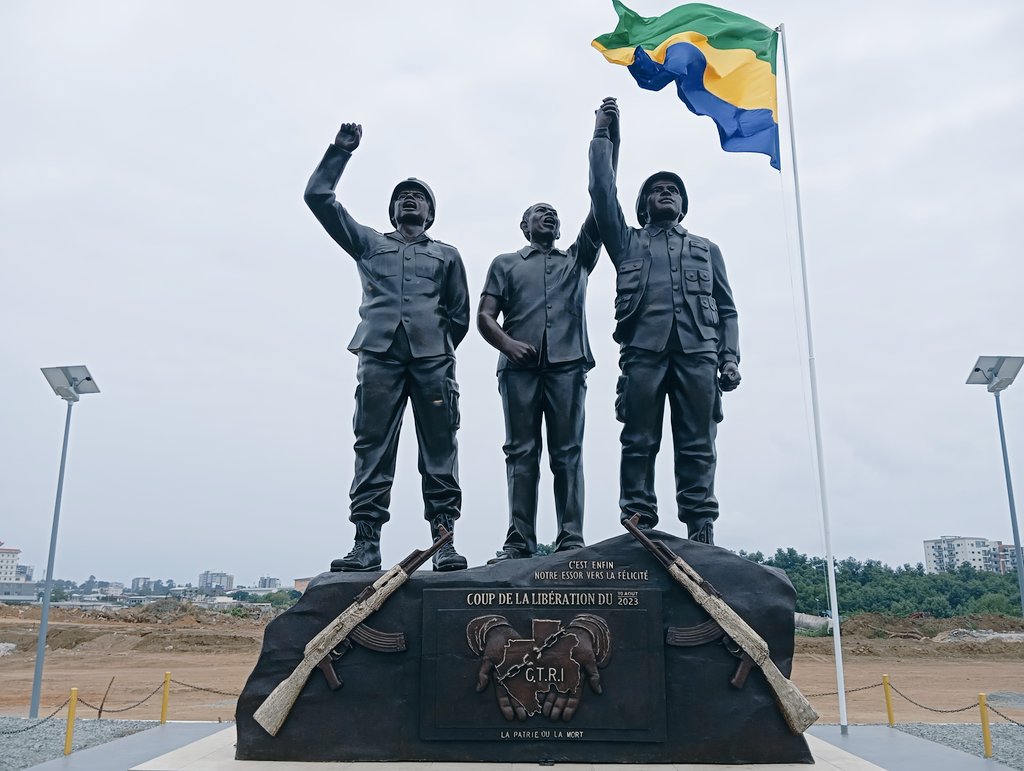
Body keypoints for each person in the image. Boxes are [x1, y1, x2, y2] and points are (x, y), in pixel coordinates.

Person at [304, 121, 470, 571]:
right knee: (371, 445)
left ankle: (444, 540)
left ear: (430, 214)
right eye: (402, 196)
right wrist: (340, 152)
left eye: (419, 197)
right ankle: (366, 541)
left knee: (440, 447)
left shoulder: (447, 254)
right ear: (393, 210)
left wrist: (433, 345)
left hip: (433, 359)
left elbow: (460, 314)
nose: (409, 199)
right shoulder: (369, 243)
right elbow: (319, 199)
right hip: (378, 355)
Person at [588, 98, 741, 545]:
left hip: (698, 351)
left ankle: (700, 523)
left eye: (673, 189)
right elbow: (601, 191)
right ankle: (638, 517)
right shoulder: (627, 241)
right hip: (643, 352)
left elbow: (727, 308)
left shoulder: (706, 249)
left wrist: (729, 357)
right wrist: (603, 137)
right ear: (642, 205)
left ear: (684, 204)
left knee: (697, 442)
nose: (666, 192)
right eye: (656, 189)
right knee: (639, 439)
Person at [477, 194, 608, 560]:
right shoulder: (505, 264)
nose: (548, 215)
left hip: (567, 365)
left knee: (568, 453)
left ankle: (571, 539)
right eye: (539, 213)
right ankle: (519, 541)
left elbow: (601, 204)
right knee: (521, 453)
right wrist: (507, 344)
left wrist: (606, 143)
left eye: (553, 214)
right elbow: (485, 316)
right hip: (519, 370)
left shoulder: (577, 259)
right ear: (525, 226)